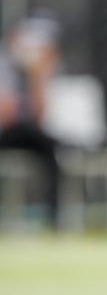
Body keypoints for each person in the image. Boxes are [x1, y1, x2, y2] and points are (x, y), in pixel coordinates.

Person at [0, 13, 62, 228]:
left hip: (28, 131)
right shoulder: (4, 65)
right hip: (6, 132)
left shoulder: (38, 71)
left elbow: (39, 114)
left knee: (52, 152)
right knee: (31, 131)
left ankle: (54, 218)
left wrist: (37, 77)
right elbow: (6, 114)